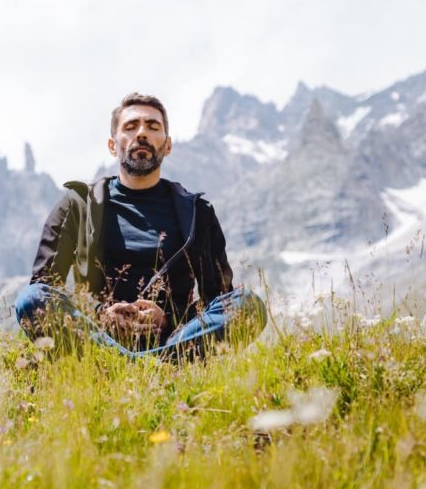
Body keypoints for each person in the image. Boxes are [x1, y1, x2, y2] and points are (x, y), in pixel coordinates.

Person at [14, 92, 266, 360]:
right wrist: (101, 314)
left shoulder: (197, 212)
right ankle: (151, 366)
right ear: (113, 145)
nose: (142, 133)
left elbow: (218, 297)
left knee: (247, 304)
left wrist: (168, 319)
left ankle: (131, 365)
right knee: (31, 298)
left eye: (153, 127)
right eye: (131, 127)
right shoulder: (79, 205)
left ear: (167, 146)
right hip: (98, 334)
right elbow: (45, 284)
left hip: (176, 337)